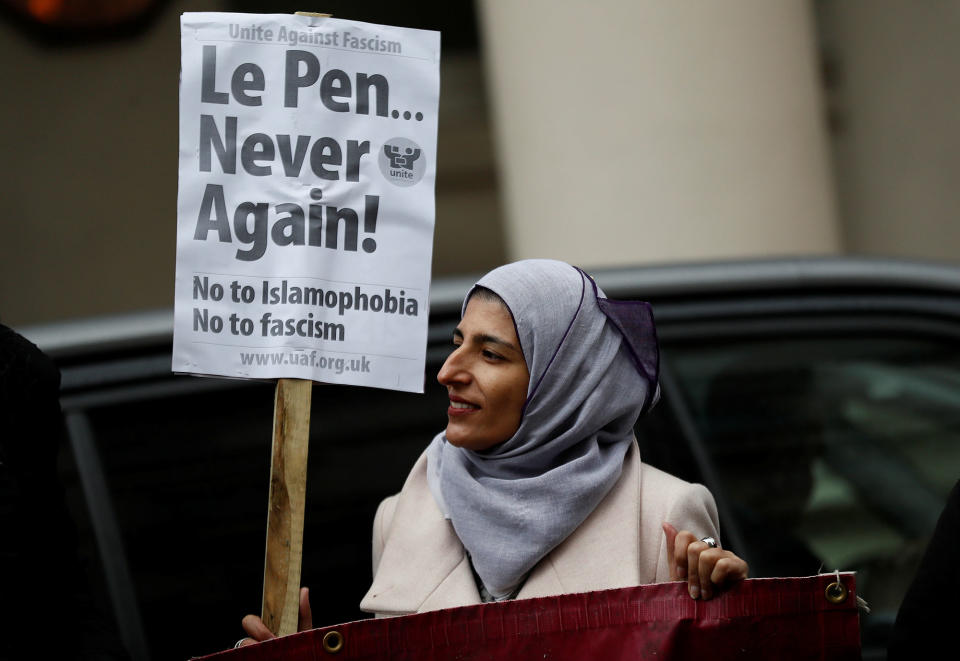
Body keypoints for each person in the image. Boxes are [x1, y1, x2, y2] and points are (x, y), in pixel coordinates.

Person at [238, 260, 747, 644]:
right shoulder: (400, 518)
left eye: (490, 354)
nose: (448, 372)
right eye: (457, 343)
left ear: (564, 379)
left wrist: (722, 620)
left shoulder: (662, 515)